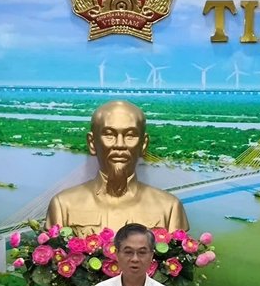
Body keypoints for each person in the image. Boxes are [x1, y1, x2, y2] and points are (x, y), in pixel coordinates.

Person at [46, 99, 189, 233]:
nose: (119, 144)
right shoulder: (63, 205)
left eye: (130, 135)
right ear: (92, 143)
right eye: (109, 135)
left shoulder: (169, 208)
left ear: (143, 144)